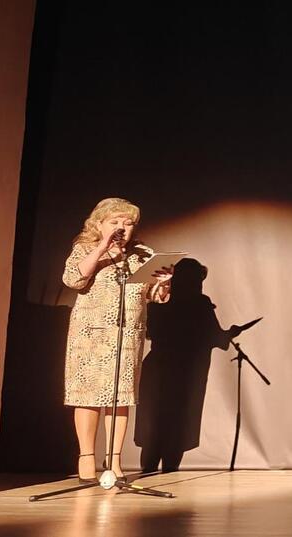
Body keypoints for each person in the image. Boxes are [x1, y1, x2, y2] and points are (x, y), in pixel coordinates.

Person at [62, 198, 173, 482]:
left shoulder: (141, 254)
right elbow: (73, 280)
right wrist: (102, 248)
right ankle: (87, 457)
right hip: (90, 335)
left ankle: (114, 460)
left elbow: (154, 296)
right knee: (87, 396)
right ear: (98, 224)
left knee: (120, 397)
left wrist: (164, 282)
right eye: (115, 222)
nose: (122, 227)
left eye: (128, 223)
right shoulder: (84, 249)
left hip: (127, 336)